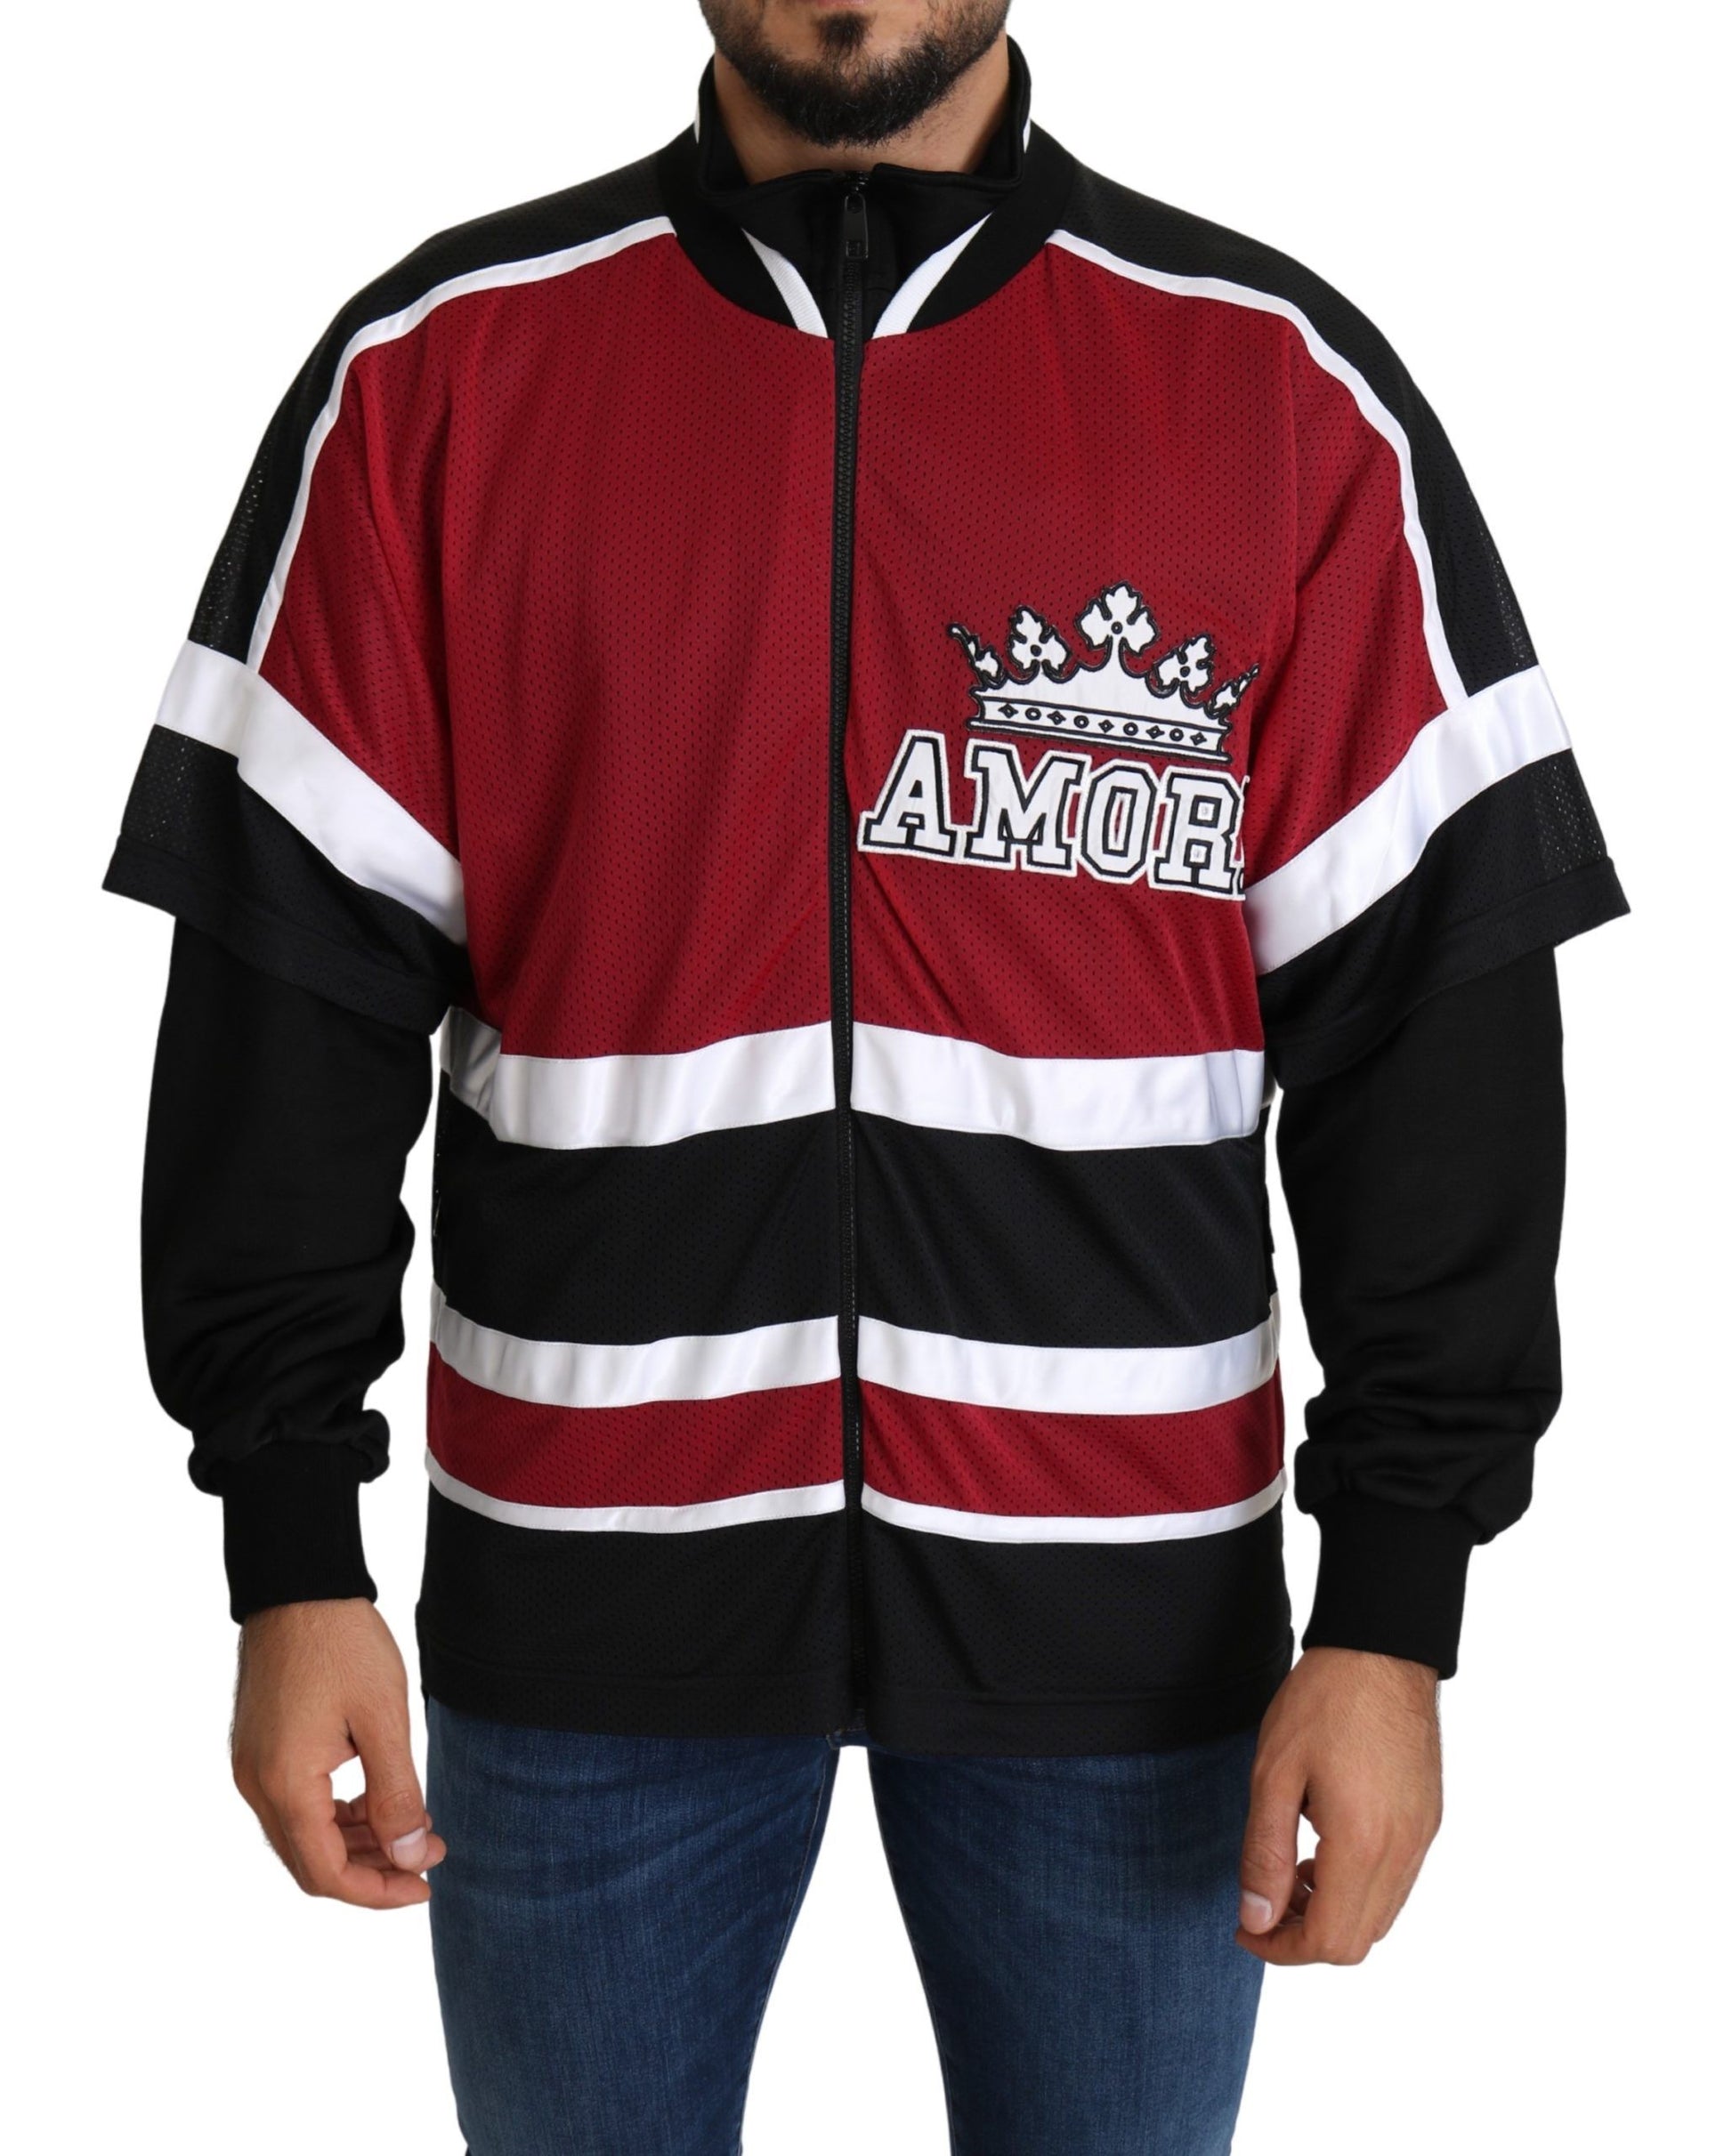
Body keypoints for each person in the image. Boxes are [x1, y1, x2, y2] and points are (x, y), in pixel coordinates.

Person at [103, 4, 1628, 2150]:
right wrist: (287, 1547)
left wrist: (1395, 1612)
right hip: (582, 1592)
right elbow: (286, 1006)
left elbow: (1432, 1045)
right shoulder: (437, 374)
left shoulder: (1275, 392)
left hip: (1132, 1627)